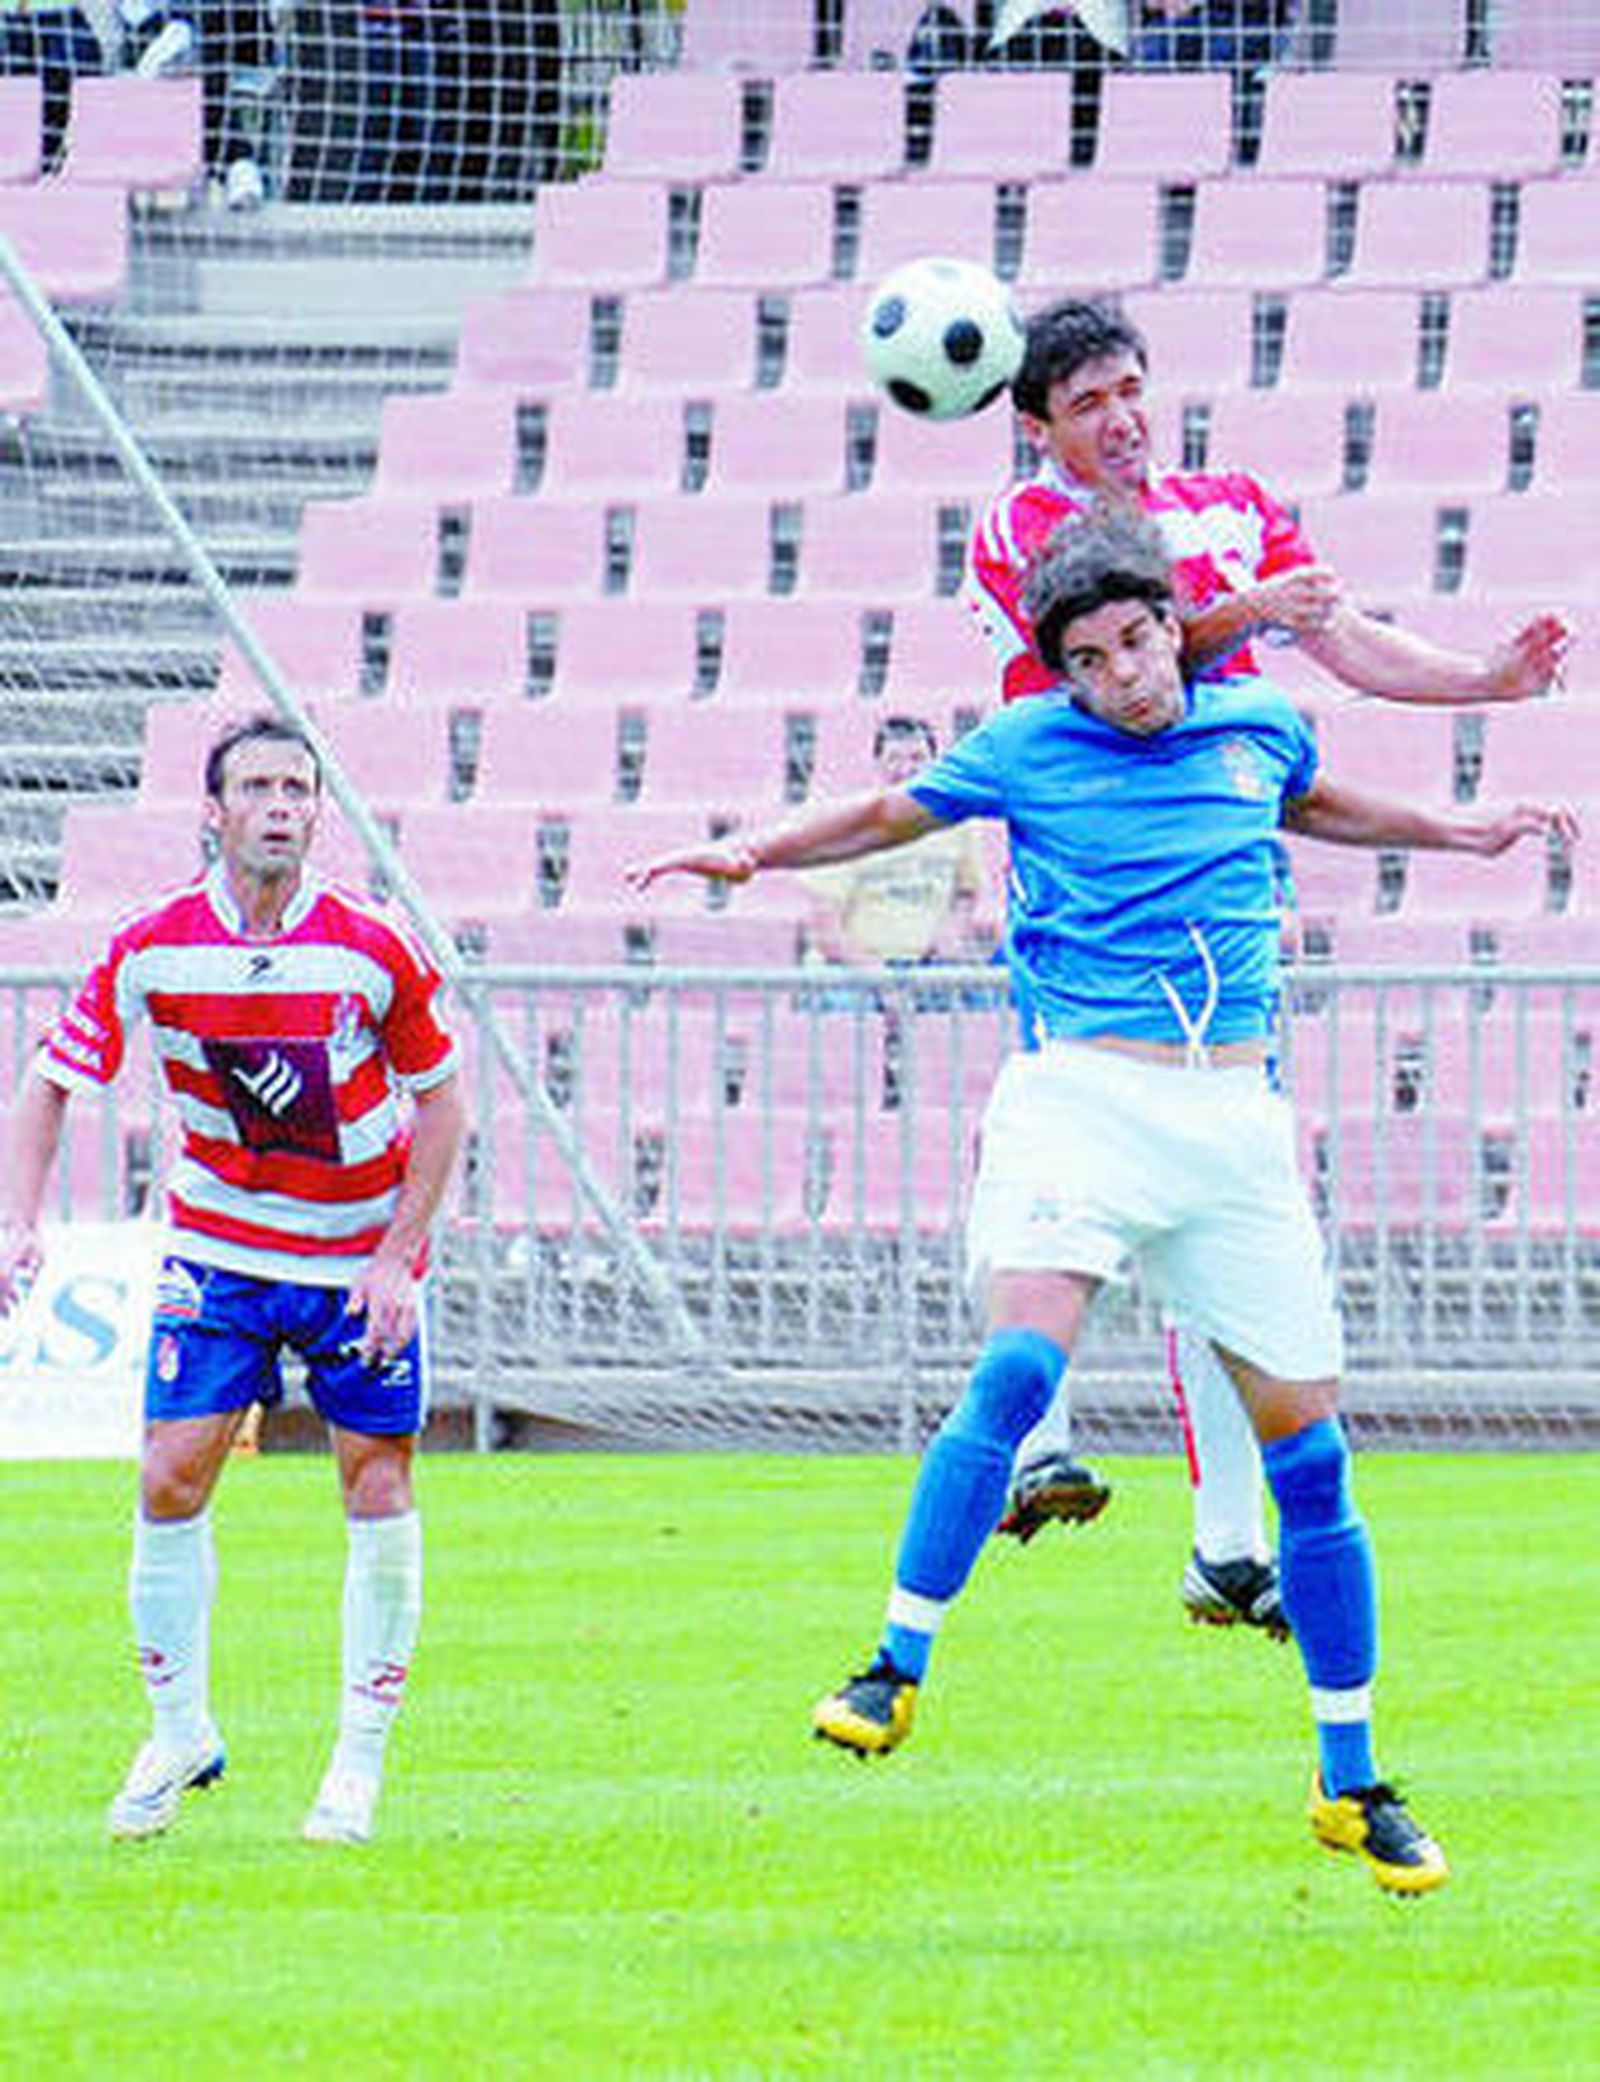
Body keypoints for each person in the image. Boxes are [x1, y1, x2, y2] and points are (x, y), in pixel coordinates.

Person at [629, 504, 1577, 1893]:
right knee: (1021, 1365)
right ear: (1061, 674)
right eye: (1094, 658)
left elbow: (1321, 806)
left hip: (1234, 1126)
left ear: (1168, 632)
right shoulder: (1029, 748)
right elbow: (890, 812)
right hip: (1081, 1095)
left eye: (1141, 642)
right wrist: (751, 851)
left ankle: (1352, 1777)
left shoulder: (1255, 726)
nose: (1128, 674)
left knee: (1312, 1463)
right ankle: (893, 1662)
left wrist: (1461, 828)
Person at [966, 296, 1572, 1621]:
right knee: (1065, 1170)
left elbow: (1340, 636)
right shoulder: (1024, 526)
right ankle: (1042, 1439)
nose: (1121, 416)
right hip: (1091, 893)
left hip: (1222, 890)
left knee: (1213, 1209)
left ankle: (1229, 1549)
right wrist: (1253, 606)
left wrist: (1483, 678)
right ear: (1036, 428)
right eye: (1085, 402)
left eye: (1130, 386)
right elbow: (1102, 661)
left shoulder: (1230, 499)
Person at [0, 713, 466, 1846]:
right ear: (212, 812)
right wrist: (19, 1223)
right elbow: (50, 1080)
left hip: (354, 1255)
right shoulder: (151, 944)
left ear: (317, 811)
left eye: (297, 789)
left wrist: (399, 1255)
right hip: (218, 1249)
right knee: (168, 1478)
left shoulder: (374, 944)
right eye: (256, 787)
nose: (279, 806)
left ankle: (355, 1766)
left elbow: (445, 1101)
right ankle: (180, 1731)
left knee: (376, 1486)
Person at [801, 713, 994, 978]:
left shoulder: (958, 823)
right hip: (853, 973)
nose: (905, 770)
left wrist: (952, 929)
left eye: (917, 758)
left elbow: (967, 892)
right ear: (877, 764)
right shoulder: (846, 827)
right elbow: (825, 929)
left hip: (927, 969)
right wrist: (881, 981)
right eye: (894, 758)